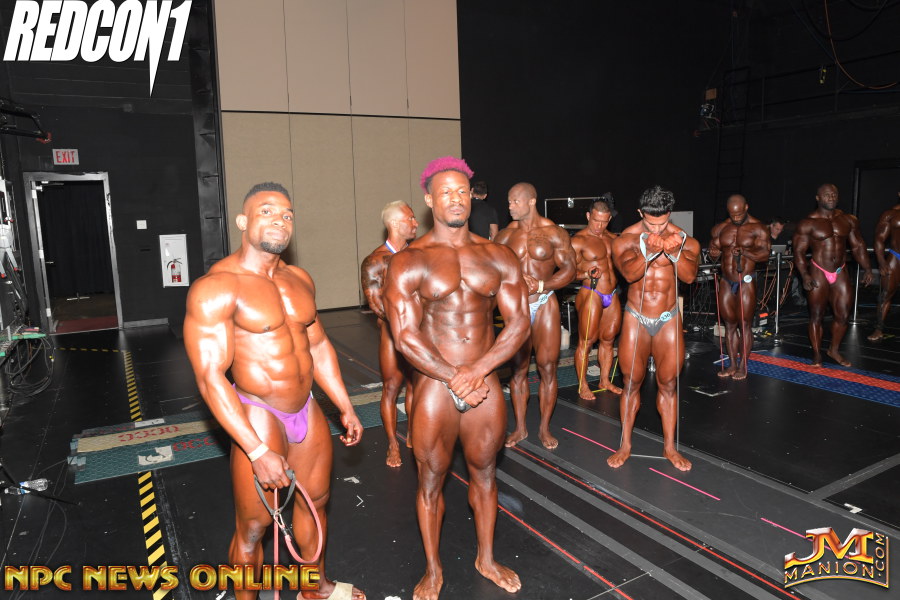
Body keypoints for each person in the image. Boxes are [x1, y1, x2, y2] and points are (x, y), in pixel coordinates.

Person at [184, 182, 365, 600]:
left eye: (286, 214)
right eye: (266, 212)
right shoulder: (217, 286)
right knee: (253, 527)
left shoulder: (298, 279)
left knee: (315, 504)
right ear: (242, 221)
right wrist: (256, 450)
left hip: (306, 407)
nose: (279, 220)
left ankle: (315, 588)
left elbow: (318, 345)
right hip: (258, 412)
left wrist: (345, 404)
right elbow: (210, 377)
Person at [383, 157, 529, 600]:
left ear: (471, 197)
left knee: (486, 474)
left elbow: (520, 323)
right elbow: (404, 335)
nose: (455, 198)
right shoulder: (409, 260)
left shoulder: (498, 255)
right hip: (434, 385)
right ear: (429, 200)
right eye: (445, 192)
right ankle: (433, 568)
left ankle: (486, 558)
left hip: (483, 382)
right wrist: (452, 374)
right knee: (430, 480)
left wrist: (477, 370)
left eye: (462, 191)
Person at [609, 185, 699, 471]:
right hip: (636, 317)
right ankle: (625, 445)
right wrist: (647, 252)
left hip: (668, 318)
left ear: (669, 213)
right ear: (640, 213)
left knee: (669, 384)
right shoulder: (625, 239)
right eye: (650, 223)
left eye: (662, 223)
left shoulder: (685, 240)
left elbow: (690, 277)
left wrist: (675, 254)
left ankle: (670, 448)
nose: (657, 228)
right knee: (630, 383)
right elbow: (628, 274)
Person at [495, 182, 576, 450]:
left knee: (547, 367)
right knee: (517, 371)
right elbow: (492, 270)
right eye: (509, 202)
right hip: (516, 306)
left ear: (531, 201)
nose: (510, 206)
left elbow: (569, 270)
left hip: (544, 303)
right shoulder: (505, 235)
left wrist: (542, 285)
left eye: (515, 202)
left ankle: (544, 428)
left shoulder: (553, 232)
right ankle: (520, 428)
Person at [360, 200, 418, 467]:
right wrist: (404, 323)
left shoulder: (420, 254)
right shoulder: (374, 261)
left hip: (418, 333)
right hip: (392, 334)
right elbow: (376, 304)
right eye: (410, 218)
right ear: (394, 223)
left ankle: (413, 432)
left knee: (416, 386)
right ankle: (393, 444)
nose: (416, 223)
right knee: (391, 388)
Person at [793, 183, 873, 366]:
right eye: (827, 194)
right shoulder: (808, 223)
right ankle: (817, 354)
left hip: (840, 270)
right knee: (816, 315)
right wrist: (804, 275)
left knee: (843, 315)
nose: (831, 197)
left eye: (834, 194)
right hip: (818, 270)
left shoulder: (848, 220)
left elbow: (858, 245)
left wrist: (867, 268)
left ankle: (833, 350)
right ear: (818, 198)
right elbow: (798, 251)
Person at [708, 195, 771, 379]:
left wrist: (745, 251)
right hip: (726, 281)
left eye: (739, 214)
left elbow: (765, 255)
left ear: (746, 208)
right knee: (729, 325)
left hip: (746, 280)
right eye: (732, 214)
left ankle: (743, 365)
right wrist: (713, 253)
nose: (736, 218)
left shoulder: (758, 228)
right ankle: (732, 365)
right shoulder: (721, 228)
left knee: (744, 325)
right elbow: (713, 253)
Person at [570, 198, 622, 399]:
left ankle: (604, 380)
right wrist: (585, 274)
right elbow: (566, 274)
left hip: (612, 294)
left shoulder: (613, 239)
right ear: (588, 216)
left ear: (609, 219)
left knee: (608, 340)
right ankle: (582, 385)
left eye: (604, 221)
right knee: (586, 341)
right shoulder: (578, 241)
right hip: (591, 292)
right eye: (596, 221)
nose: (599, 226)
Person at [868, 196, 900, 342]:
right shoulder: (890, 214)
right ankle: (878, 329)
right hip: (895, 257)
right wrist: (881, 262)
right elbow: (879, 239)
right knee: (885, 294)